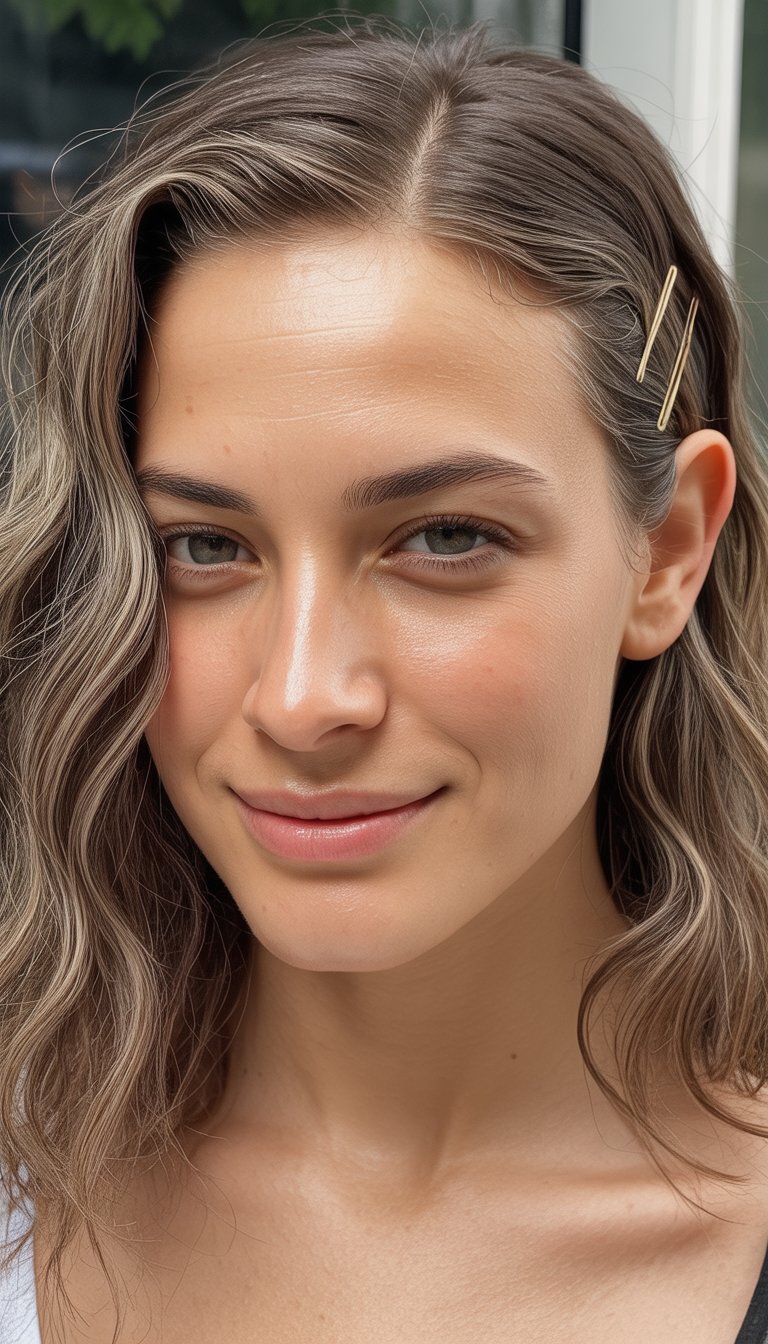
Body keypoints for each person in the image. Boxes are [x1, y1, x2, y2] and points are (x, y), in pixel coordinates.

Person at [1, 14, 767, 1343]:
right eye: (206, 547)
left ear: (668, 550)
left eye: (446, 539)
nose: (303, 698)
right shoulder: (26, 1186)